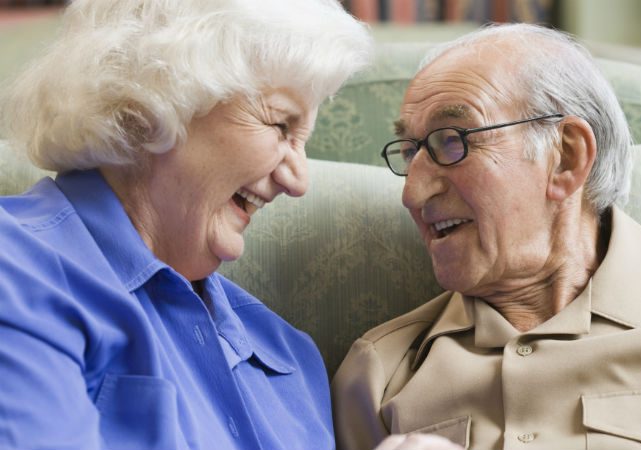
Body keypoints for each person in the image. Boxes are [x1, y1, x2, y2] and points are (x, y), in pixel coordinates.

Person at [0, 0, 375, 448]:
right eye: (280, 125)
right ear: (153, 99)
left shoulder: (289, 357)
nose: (298, 181)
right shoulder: (19, 273)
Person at [332, 23, 641, 450]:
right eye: (409, 152)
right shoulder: (379, 374)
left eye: (452, 141)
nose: (412, 194)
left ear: (566, 157)